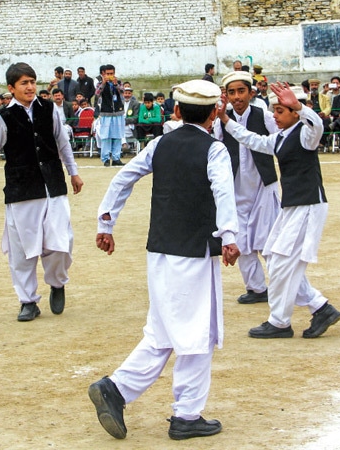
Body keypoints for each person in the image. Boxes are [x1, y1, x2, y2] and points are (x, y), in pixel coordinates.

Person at [89, 79, 239, 441]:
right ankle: (186, 414)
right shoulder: (214, 150)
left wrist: (105, 222)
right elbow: (222, 190)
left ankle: (117, 389)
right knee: (196, 333)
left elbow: (124, 177)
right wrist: (230, 236)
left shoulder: (159, 144)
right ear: (215, 112)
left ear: (175, 111)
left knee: (163, 331)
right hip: (194, 251)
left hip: (159, 251)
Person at [219, 82, 340, 340]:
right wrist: (225, 119)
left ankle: (281, 321)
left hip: (308, 206)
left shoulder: (306, 135)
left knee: (285, 261)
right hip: (293, 207)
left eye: (280, 111)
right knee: (275, 256)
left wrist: (300, 106)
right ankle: (320, 307)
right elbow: (252, 140)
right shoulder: (282, 136)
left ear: (295, 113)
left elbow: (317, 126)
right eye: (274, 110)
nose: (274, 116)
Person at [0, 62, 83, 322]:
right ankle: (28, 300)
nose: (30, 87)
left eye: (32, 81)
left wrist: (73, 172)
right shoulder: (3, 117)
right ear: (11, 88)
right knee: (22, 249)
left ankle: (57, 282)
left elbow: (62, 143)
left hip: (52, 186)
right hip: (22, 189)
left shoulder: (49, 110)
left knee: (61, 242)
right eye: (24, 83)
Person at [213, 71, 279, 304]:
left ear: (251, 93)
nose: (237, 97)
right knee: (241, 240)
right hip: (236, 187)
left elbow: (280, 142)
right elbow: (217, 146)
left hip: (263, 185)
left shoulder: (265, 116)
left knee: (268, 238)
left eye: (241, 91)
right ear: (226, 95)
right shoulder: (220, 119)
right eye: (232, 92)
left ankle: (280, 286)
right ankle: (256, 288)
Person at [94, 64, 125, 167]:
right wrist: (103, 83)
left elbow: (122, 92)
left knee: (118, 136)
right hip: (106, 113)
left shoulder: (119, 82)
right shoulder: (100, 83)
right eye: (108, 74)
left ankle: (116, 158)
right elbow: (97, 93)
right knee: (105, 137)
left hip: (118, 113)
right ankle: (106, 159)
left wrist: (115, 84)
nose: (110, 75)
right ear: (104, 74)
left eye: (111, 73)